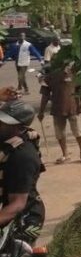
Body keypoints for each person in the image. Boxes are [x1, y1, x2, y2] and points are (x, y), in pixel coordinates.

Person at [0, 100, 45, 247]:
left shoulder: (22, 157)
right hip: (7, 207)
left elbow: (18, 204)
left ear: (19, 128)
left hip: (23, 219)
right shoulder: (7, 142)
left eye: (3, 122)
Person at [47, 64, 81, 164]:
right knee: (60, 133)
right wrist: (40, 112)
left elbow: (79, 90)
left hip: (72, 107)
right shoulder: (49, 75)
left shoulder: (73, 73)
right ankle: (65, 154)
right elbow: (45, 94)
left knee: (78, 131)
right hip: (57, 108)